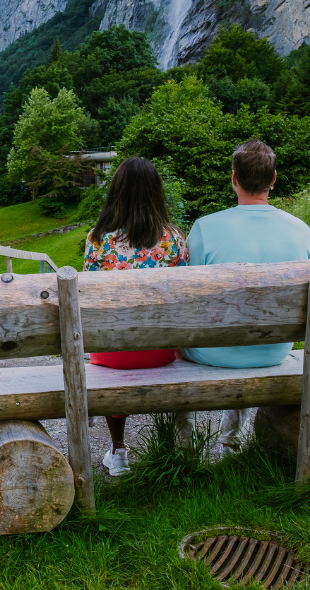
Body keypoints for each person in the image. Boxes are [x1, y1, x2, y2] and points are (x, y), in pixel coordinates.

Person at [177, 138, 310, 455]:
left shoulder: (205, 227)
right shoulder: (301, 230)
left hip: (215, 353)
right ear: (274, 179)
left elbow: (189, 299)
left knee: (180, 342)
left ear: (234, 178)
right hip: (273, 350)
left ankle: (184, 449)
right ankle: (232, 441)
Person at [83, 157, 189, 476]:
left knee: (113, 343)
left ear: (117, 192)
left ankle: (118, 452)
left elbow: (87, 300)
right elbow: (184, 299)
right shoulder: (174, 239)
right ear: (157, 194)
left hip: (113, 354)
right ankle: (177, 450)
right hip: (161, 352)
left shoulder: (98, 241)